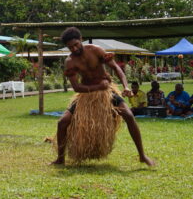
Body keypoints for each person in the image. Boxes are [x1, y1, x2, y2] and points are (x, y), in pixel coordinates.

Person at [52, 27, 154, 166]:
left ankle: (142, 155)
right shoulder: (70, 62)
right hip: (86, 95)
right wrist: (97, 87)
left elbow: (116, 68)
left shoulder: (96, 50)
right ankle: (60, 159)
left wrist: (126, 86)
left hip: (107, 93)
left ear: (81, 39)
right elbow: (76, 87)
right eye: (70, 47)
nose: (74, 49)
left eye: (76, 45)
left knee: (129, 116)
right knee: (62, 122)